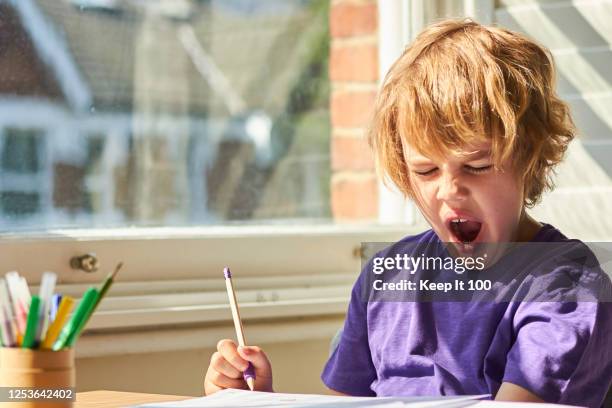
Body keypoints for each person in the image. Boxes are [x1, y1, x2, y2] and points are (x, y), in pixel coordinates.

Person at [203, 19, 612, 406]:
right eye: (426, 170)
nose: (449, 190)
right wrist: (257, 397)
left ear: (530, 156)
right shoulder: (385, 279)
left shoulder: (566, 287)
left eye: (477, 166)